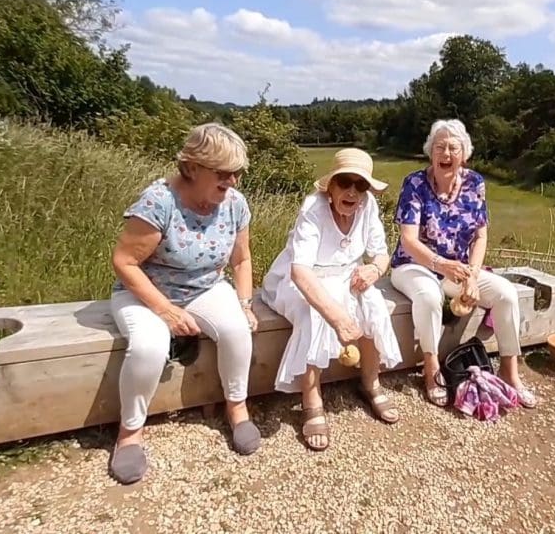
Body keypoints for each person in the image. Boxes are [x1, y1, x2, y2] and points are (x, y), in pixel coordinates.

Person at [108, 123, 262, 485]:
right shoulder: (158, 202)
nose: (233, 181)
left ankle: (236, 407)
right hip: (145, 291)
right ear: (192, 167)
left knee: (239, 330)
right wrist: (164, 310)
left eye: (237, 173)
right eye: (224, 173)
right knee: (149, 346)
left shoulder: (234, 204)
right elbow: (124, 262)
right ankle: (130, 432)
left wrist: (244, 302)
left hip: (207, 286)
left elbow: (242, 260)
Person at [389, 119, 539, 409]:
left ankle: (510, 372)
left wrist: (472, 275)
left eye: (453, 148)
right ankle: (431, 368)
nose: (446, 153)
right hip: (414, 264)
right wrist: (441, 264)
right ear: (430, 152)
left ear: (464, 154)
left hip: (457, 268)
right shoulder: (415, 183)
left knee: (505, 293)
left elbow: (481, 236)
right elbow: (408, 239)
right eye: (439, 147)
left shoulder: (475, 183)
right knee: (429, 296)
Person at [261, 148, 404, 451]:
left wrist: (374, 270)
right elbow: (300, 272)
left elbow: (381, 253)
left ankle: (371, 382)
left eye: (360, 185)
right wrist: (337, 317)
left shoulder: (368, 206)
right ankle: (311, 400)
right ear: (332, 186)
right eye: (345, 182)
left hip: (347, 274)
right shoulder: (313, 208)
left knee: (374, 305)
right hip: (301, 278)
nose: (353, 191)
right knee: (313, 315)